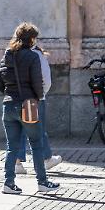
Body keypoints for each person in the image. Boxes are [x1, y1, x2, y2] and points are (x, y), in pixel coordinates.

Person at [0, 22, 59, 194]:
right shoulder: (32, 56)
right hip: (27, 105)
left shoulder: (6, 56)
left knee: (12, 147)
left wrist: (11, 94)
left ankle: (8, 183)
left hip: (8, 105)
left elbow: (0, 85)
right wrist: (37, 99)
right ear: (31, 39)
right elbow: (38, 84)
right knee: (36, 144)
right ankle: (42, 182)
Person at [15, 44, 62, 174]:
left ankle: (16, 162)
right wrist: (40, 95)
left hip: (16, 97)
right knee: (37, 129)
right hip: (34, 97)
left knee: (19, 129)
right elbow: (46, 80)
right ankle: (46, 159)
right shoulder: (37, 54)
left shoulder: (13, 53)